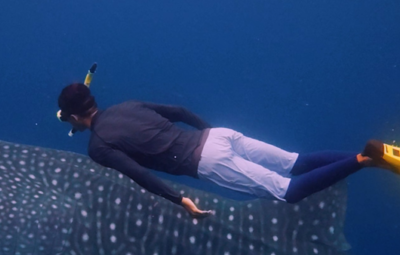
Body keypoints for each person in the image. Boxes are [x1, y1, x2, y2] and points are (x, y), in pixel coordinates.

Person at [57, 83, 382, 218]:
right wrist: (209, 133)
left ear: (73, 118)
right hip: (218, 136)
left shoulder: (98, 147)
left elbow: (138, 174)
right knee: (296, 163)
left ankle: (362, 160)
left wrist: (181, 200)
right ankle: (370, 154)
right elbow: (181, 111)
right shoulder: (127, 105)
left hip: (206, 161)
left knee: (289, 192)